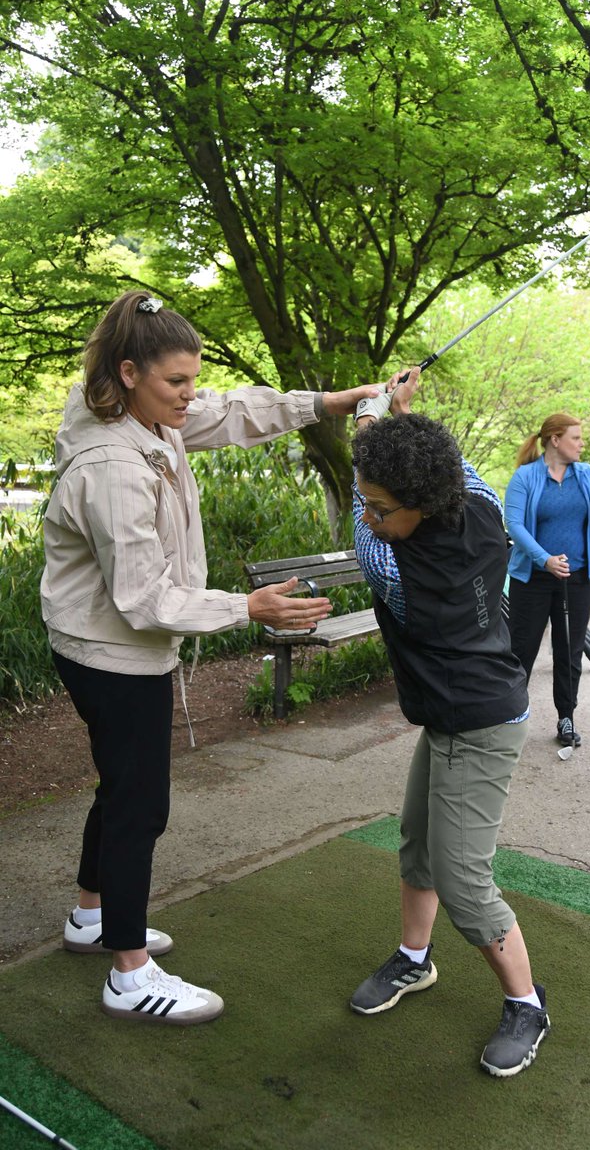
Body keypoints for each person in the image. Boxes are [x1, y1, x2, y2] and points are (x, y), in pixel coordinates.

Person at [40, 290, 381, 1025]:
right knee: (140, 804)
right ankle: (128, 972)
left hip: (110, 643)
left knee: (120, 788)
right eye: (176, 384)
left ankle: (91, 918)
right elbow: (143, 599)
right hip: (111, 651)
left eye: (193, 380)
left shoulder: (140, 413)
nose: (191, 397)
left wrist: (334, 401)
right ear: (129, 372)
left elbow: (236, 411)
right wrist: (246, 607)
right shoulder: (112, 464)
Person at [347, 368, 549, 1079]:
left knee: (464, 882)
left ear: (416, 504)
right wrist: (402, 415)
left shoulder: (396, 571)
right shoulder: (482, 506)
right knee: (418, 844)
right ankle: (413, 960)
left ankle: (528, 1004)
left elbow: (357, 508)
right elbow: (454, 467)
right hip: (452, 712)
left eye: (382, 507)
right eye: (372, 506)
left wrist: (369, 424)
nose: (372, 517)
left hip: (481, 721)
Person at [504, 412, 590, 751]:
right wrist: (544, 558)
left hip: (577, 580)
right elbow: (514, 525)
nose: (582, 443)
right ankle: (508, 719)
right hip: (533, 580)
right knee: (521, 651)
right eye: (576, 437)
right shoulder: (526, 477)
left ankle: (566, 717)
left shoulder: (586, 475)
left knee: (569, 651)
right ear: (555, 440)